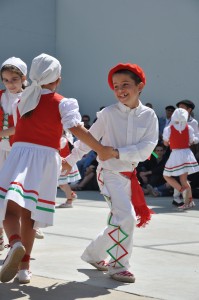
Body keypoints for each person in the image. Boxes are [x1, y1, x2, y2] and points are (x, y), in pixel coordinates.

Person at [0, 53, 114, 284]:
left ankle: (15, 243)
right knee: (30, 216)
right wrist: (100, 149)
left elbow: (19, 131)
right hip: (46, 159)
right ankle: (24, 269)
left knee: (9, 209)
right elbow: (77, 129)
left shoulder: (22, 100)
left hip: (20, 154)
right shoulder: (63, 102)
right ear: (58, 79)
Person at [62, 62, 159, 283]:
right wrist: (70, 160)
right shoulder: (107, 113)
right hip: (108, 175)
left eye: (125, 84)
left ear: (140, 86)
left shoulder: (149, 116)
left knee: (120, 220)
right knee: (127, 218)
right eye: (115, 86)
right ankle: (119, 266)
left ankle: (94, 254)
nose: (120, 90)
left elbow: (147, 149)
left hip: (129, 175)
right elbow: (88, 140)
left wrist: (115, 152)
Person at [0, 57, 28, 252]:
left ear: (23, 78)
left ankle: (17, 238)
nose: (10, 84)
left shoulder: (29, 98)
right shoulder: (1, 96)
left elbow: (23, 127)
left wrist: (3, 132)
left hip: (20, 152)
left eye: (14, 79)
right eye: (6, 79)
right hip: (1, 150)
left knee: (14, 197)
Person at [163, 108, 199, 209]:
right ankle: (189, 201)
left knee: (166, 175)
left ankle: (183, 193)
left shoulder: (169, 128)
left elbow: (166, 143)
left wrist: (172, 142)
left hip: (176, 154)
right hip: (187, 153)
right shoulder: (189, 128)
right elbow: (192, 141)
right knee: (184, 180)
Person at [172, 100, 199, 205]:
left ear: (189, 109)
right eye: (178, 107)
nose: (179, 109)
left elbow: (197, 136)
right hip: (176, 150)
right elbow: (168, 131)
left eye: (182, 107)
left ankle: (183, 197)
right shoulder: (174, 120)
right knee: (178, 174)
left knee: (186, 175)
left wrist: (193, 140)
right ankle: (176, 197)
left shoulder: (193, 122)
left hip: (188, 151)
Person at [57, 132, 80, 208]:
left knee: (62, 183)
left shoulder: (63, 139)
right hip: (64, 163)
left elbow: (57, 148)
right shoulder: (63, 138)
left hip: (65, 163)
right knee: (61, 183)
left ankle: (69, 200)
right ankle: (71, 195)